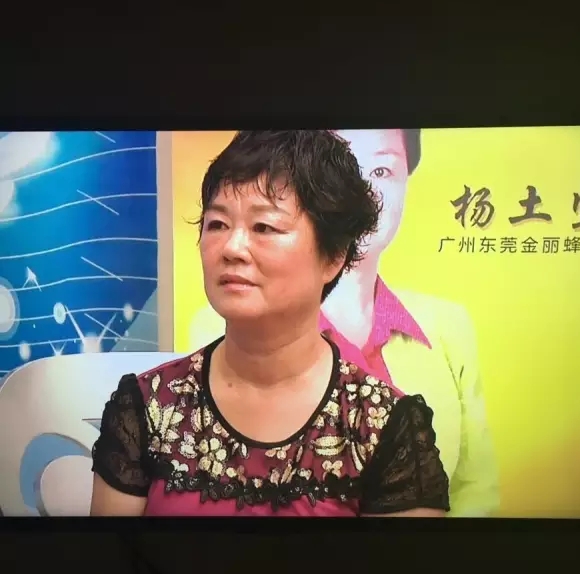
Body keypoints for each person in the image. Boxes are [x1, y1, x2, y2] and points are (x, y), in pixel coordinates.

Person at [90, 130, 450, 517]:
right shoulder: (147, 407)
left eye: (263, 227)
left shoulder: (384, 426)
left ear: (333, 256)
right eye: (217, 224)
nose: (231, 248)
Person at [189, 129, 499, 517]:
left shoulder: (438, 342)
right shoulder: (178, 371)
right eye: (217, 223)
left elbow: (475, 490)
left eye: (382, 171)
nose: (233, 248)